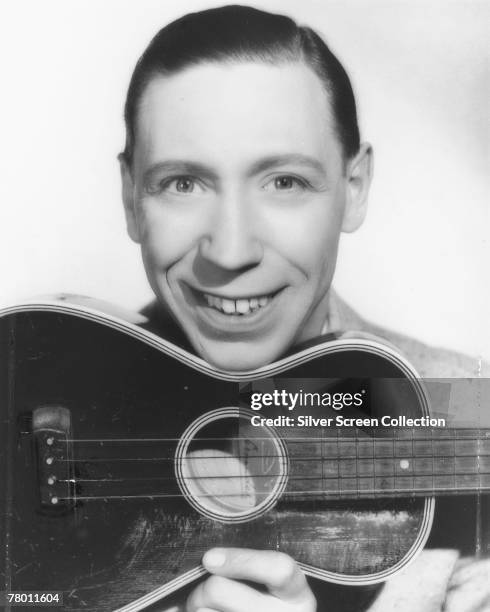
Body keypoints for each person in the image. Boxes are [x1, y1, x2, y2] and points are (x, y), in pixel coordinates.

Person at [117, 5, 489, 611]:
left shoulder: (471, 407)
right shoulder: (42, 382)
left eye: (284, 182)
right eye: (182, 182)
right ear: (132, 199)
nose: (231, 251)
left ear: (355, 188)